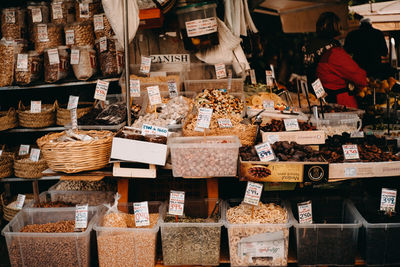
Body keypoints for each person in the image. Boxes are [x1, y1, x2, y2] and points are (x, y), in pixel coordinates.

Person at [303, 12, 367, 108]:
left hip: (318, 99)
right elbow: (360, 78)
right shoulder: (334, 52)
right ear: (337, 28)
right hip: (340, 104)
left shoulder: (308, 47)